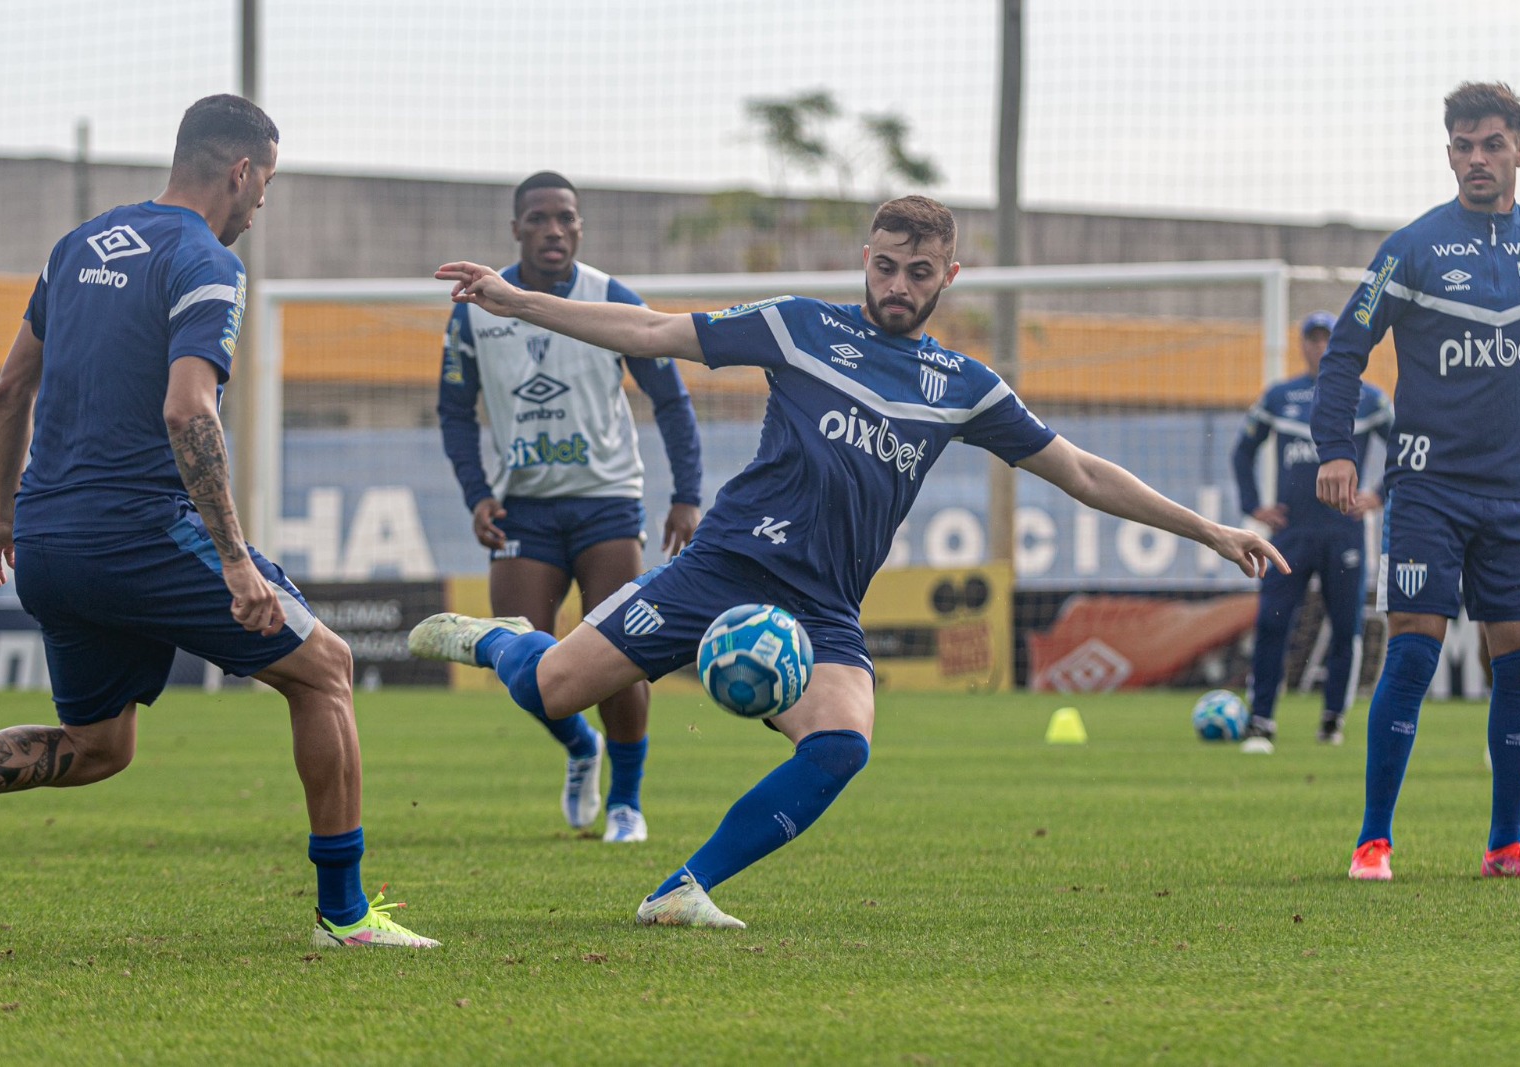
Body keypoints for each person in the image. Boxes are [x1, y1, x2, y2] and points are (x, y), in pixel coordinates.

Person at [413, 195, 1287, 929]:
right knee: (554, 688)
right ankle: (496, 643)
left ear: (949, 277)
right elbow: (647, 330)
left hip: (824, 605)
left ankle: (682, 890)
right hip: (723, 566)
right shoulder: (797, 326)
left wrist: (1211, 531)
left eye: (918, 273)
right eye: (885, 268)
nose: (898, 286)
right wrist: (517, 301)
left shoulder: (964, 385)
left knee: (841, 745)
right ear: (865, 260)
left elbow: (1084, 471)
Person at [0, 95, 438, 949]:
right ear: (240, 171)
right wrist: (234, 561)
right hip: (139, 531)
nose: (263, 204)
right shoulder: (205, 260)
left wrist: (3, 516)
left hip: (48, 543)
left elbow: (7, 391)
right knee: (326, 668)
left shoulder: (77, 246)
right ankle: (345, 916)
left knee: (101, 744)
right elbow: (190, 411)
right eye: (268, 184)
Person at [1312, 82, 1520, 882]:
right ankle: (1372, 840)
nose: (1475, 159)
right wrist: (1335, 450)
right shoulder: (1410, 248)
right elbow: (1345, 349)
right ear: (1448, 152)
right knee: (1412, 651)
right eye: (1461, 145)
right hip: (1429, 488)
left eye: (1490, 144)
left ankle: (1506, 843)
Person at [438, 171, 703, 844]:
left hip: (607, 502)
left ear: (579, 228)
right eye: (540, 218)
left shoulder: (611, 298)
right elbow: (452, 409)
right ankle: (582, 747)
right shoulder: (475, 307)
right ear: (517, 228)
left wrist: (687, 494)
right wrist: (477, 493)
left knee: (617, 652)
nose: (555, 230)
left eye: (567, 218)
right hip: (522, 507)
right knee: (522, 656)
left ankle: (626, 802)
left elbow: (671, 398)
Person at [1232, 311, 1393, 750]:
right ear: (1302, 344)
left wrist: (1379, 495)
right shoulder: (1281, 396)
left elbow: (1405, 446)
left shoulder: (1367, 398)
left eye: (1328, 338)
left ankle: (1332, 720)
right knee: (1271, 624)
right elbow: (1243, 452)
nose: (1320, 346)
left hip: (1344, 533)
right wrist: (1253, 507)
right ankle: (1261, 719)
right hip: (1291, 534)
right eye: (1313, 339)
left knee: (1346, 628)